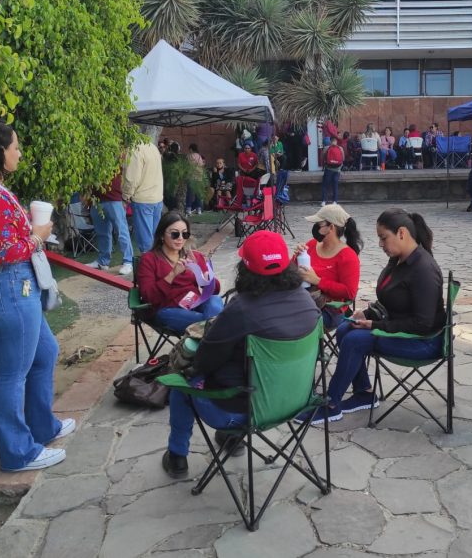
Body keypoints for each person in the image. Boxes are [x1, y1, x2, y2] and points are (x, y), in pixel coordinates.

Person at [162, 230, 320, 477]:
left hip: (240, 412)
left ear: (245, 268)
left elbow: (205, 361)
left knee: (181, 385)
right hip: (295, 402)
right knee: (237, 374)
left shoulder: (241, 309)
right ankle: (231, 439)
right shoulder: (308, 303)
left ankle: (177, 457)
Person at [0, 119, 73, 472]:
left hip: (9, 286)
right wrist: (38, 235)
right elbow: (3, 252)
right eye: (15, 147)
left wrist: (26, 226)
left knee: (46, 351)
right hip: (10, 287)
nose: (19, 153)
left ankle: (42, 427)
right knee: (13, 373)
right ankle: (18, 453)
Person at [307, 209, 445, 424]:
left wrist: (376, 324)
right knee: (345, 327)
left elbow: (423, 323)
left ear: (401, 233)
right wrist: (368, 313)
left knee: (354, 340)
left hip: (423, 341)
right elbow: (393, 300)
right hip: (403, 331)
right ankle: (364, 392)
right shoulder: (399, 260)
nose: (380, 244)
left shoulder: (423, 269)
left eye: (383, 238)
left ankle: (331, 404)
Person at [137, 212, 224, 333]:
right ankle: (214, 336)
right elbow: (149, 297)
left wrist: (208, 281)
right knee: (214, 322)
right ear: (162, 235)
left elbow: (214, 291)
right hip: (167, 309)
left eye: (185, 234)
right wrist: (172, 274)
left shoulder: (194, 256)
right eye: (175, 234)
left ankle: (208, 340)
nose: (180, 238)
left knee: (215, 301)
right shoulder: (149, 259)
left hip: (195, 303)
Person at [294, 204, 362, 330]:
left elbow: (349, 292)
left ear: (331, 227)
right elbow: (290, 271)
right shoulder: (312, 245)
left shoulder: (348, 256)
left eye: (319, 225)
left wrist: (318, 281)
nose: (315, 228)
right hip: (303, 302)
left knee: (295, 322)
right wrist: (297, 257)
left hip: (330, 310)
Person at [86, 169, 134, 276]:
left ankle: (128, 262)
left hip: (114, 198)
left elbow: (127, 173)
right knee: (102, 233)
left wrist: (126, 197)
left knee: (122, 232)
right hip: (97, 200)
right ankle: (103, 262)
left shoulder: (119, 154)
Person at [123, 130, 164, 252]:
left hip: (143, 199)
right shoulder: (152, 147)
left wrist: (125, 196)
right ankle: (157, 267)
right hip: (157, 197)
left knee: (145, 242)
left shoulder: (135, 149)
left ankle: (149, 268)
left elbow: (131, 178)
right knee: (156, 240)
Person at [322, 136, 344, 206]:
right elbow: (343, 159)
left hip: (328, 169)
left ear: (330, 141)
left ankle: (324, 201)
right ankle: (335, 201)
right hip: (337, 170)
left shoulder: (326, 148)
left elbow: (323, 158)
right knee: (335, 185)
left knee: (325, 185)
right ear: (336, 141)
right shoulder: (340, 148)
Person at [185, 143, 205, 216]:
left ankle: (188, 209)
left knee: (190, 194)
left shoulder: (189, 156)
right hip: (199, 177)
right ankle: (199, 209)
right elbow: (202, 165)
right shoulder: (199, 156)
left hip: (191, 177)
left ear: (191, 149)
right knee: (198, 194)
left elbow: (187, 165)